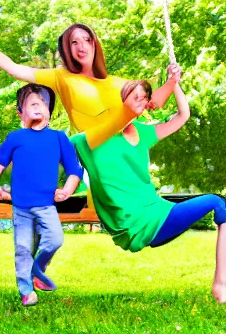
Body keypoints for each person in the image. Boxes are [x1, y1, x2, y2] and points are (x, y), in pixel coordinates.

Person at [71, 77, 226, 303]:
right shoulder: (90, 139)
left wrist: (175, 82)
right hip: (133, 223)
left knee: (219, 204)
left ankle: (222, 284)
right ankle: (221, 289)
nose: (139, 101)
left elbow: (183, 116)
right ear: (120, 101)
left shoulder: (144, 132)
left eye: (143, 98)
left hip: (157, 213)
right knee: (217, 202)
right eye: (133, 96)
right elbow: (58, 152)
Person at [0, 24, 180, 149]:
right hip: (91, 153)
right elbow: (13, 68)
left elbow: (156, 102)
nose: (81, 47)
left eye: (86, 40)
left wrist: (172, 80)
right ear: (67, 49)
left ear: (95, 44)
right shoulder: (61, 76)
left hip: (121, 155)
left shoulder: (120, 84)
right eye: (74, 42)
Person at [0, 83, 83, 306]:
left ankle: (37, 269)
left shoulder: (59, 138)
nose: (38, 106)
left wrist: (68, 189)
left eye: (42, 103)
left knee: (55, 239)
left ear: (49, 111)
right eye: (31, 103)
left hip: (46, 205)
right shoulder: (15, 138)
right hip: (20, 206)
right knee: (22, 247)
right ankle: (26, 290)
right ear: (20, 113)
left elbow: (74, 170)